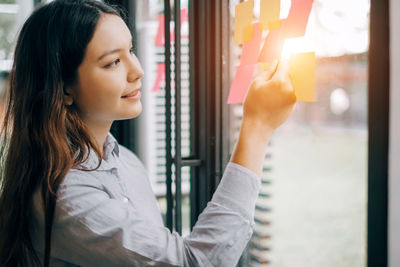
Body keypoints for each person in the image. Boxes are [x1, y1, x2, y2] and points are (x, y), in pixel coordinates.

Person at [0, 0, 296, 266]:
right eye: (113, 61)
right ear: (63, 88)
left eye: (130, 50)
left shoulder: (126, 161)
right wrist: (256, 128)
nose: (137, 70)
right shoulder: (65, 197)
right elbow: (196, 263)